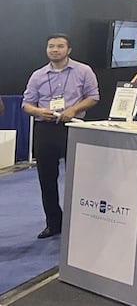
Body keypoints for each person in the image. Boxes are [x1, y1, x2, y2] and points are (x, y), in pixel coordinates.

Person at [21, 34, 99, 239]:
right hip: (45, 129)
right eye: (51, 46)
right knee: (47, 179)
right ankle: (53, 222)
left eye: (60, 46)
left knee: (78, 177)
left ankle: (81, 220)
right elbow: (26, 104)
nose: (55, 50)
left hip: (72, 127)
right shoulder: (38, 75)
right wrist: (38, 112)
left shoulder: (83, 71)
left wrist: (73, 110)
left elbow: (93, 97)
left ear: (69, 50)